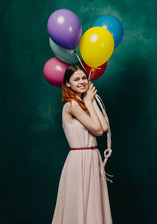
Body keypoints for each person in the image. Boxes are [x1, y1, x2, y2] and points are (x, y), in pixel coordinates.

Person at [51, 63, 113, 224]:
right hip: (79, 160)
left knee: (93, 202)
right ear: (67, 84)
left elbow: (104, 127)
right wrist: (88, 101)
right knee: (78, 203)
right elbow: (98, 131)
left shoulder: (86, 102)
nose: (82, 82)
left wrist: (90, 102)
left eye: (84, 78)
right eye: (76, 79)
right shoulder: (71, 105)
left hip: (93, 157)